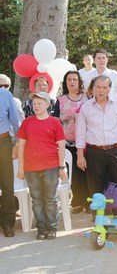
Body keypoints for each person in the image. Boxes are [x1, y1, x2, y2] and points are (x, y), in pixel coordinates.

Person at [16, 91, 67, 240]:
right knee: (36, 199)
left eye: (39, 103)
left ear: (47, 105)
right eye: (34, 103)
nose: (36, 106)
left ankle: (51, 228)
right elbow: (21, 146)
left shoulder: (54, 122)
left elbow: (62, 145)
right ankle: (41, 228)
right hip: (31, 168)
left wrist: (61, 166)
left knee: (50, 199)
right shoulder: (27, 122)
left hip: (50, 167)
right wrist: (20, 167)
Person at [75, 75, 117, 196]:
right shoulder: (86, 107)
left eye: (104, 87)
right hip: (94, 153)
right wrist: (80, 155)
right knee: (96, 188)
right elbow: (80, 133)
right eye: (98, 87)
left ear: (109, 89)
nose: (101, 90)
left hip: (115, 151)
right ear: (93, 88)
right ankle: (99, 215)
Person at [53, 71, 90, 214]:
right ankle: (77, 202)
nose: (72, 82)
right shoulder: (60, 100)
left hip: (86, 142)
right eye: (69, 79)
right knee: (74, 173)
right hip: (67, 143)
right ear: (66, 82)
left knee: (86, 172)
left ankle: (88, 202)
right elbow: (55, 119)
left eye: (75, 79)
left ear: (80, 82)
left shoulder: (86, 98)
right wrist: (68, 117)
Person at [0, 83, 21, 238]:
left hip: (3, 143)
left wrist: (18, 143)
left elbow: (15, 120)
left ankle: (7, 223)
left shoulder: (5, 95)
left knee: (7, 185)